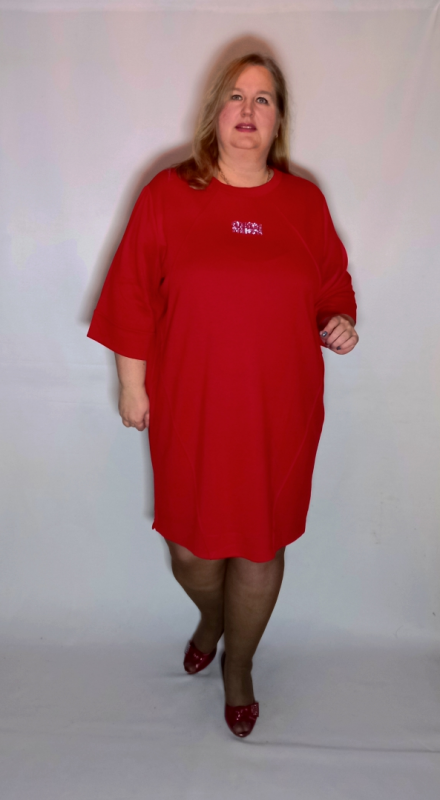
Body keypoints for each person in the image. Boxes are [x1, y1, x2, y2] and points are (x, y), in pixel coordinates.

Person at [87, 52, 359, 738]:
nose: (248, 109)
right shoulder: (169, 194)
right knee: (192, 550)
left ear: (278, 120)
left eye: (263, 99)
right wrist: (131, 385)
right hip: (192, 406)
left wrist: (339, 320)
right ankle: (213, 618)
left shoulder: (303, 203)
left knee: (260, 548)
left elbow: (332, 283)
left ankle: (239, 667)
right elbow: (130, 293)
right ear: (215, 111)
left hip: (279, 409)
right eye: (236, 95)